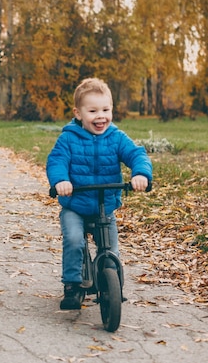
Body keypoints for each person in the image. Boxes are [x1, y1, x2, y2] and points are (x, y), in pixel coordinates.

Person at [46, 78, 152, 310]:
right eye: (93, 111)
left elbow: (136, 154)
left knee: (110, 250)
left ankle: (111, 286)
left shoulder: (116, 138)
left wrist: (141, 173)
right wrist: (61, 180)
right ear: (78, 113)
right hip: (76, 205)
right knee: (74, 240)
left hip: (105, 206)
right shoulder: (68, 139)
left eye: (106, 110)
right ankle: (73, 286)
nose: (100, 116)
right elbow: (56, 161)